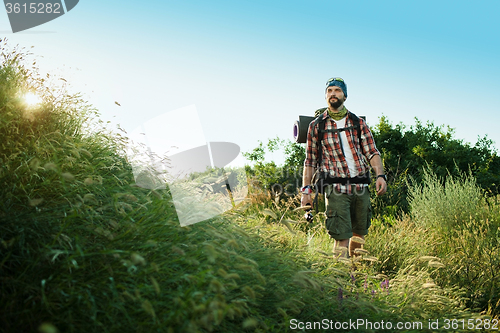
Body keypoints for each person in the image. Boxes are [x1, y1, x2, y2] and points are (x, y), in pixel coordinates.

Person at [300, 77, 387, 257]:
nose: (333, 94)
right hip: (336, 189)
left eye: (337, 90)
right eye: (329, 91)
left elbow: (372, 152)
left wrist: (380, 176)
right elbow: (310, 161)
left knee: (359, 238)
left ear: (345, 96)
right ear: (326, 96)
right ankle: (340, 282)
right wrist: (306, 191)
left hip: (361, 187)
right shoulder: (316, 125)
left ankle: (357, 280)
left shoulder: (358, 123)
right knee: (342, 239)